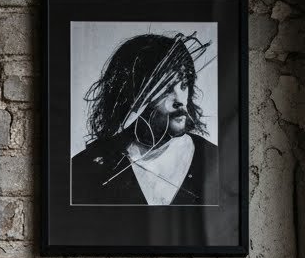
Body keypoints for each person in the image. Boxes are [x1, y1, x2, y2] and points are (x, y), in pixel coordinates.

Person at [71, 32, 218, 208]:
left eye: (184, 84)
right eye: (165, 88)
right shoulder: (85, 169)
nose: (179, 99)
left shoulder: (216, 160)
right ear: (131, 95)